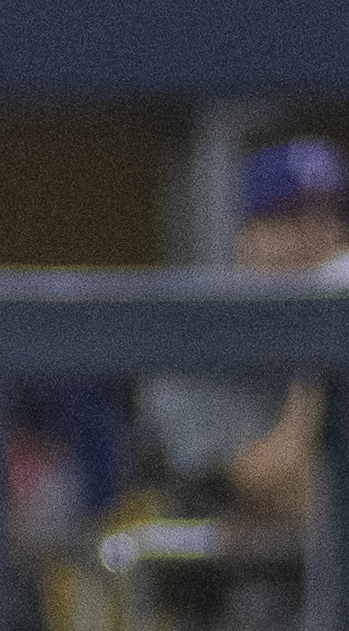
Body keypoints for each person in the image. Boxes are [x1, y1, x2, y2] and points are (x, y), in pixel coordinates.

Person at [137, 137, 342, 534]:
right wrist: (321, 358)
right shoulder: (192, 349)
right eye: (288, 216)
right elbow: (268, 487)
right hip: (221, 585)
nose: (316, 239)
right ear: (243, 235)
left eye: (332, 217)